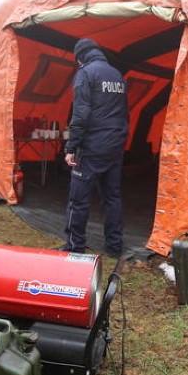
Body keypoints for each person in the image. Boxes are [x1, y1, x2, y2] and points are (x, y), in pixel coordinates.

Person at [60, 38, 129, 258]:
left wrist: (71, 147)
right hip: (115, 145)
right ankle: (115, 245)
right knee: (112, 197)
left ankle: (74, 245)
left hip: (92, 147)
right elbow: (124, 112)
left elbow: (80, 114)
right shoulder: (117, 75)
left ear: (80, 57)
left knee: (78, 199)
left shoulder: (85, 73)